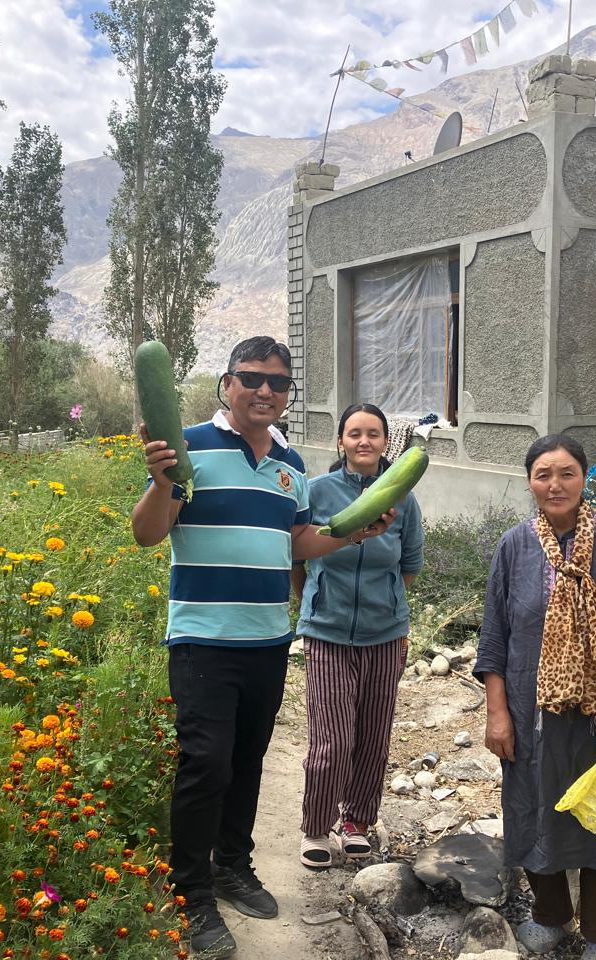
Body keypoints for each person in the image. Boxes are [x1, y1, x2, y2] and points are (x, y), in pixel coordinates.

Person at [131, 336, 393, 959]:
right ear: (226, 384)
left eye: (278, 383)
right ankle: (191, 894)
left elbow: (297, 541)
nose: (265, 391)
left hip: (269, 639)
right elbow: (147, 534)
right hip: (203, 639)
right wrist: (163, 481)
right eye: (251, 378)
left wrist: (354, 532)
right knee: (206, 765)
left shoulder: (290, 463)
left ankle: (232, 865)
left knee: (247, 761)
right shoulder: (186, 444)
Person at [473, 434, 596, 960]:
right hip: (530, 713)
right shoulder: (515, 545)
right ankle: (550, 915)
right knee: (532, 808)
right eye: (543, 475)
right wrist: (497, 712)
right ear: (530, 482)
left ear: (584, 478)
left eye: (567, 473)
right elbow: (494, 638)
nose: (556, 485)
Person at [290, 403, 425, 869]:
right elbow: (298, 556)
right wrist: (313, 599)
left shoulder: (404, 499)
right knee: (331, 738)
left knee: (373, 735)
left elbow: (409, 565)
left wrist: (385, 606)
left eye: (373, 434)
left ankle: (357, 823)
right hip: (326, 633)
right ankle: (316, 825)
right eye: (354, 434)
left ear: (387, 442)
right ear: (341, 442)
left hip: (385, 636)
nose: (364, 441)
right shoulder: (317, 491)